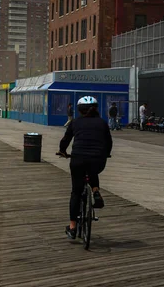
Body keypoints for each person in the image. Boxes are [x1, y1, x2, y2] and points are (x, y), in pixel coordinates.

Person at [58, 96, 112, 240]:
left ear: (79, 110)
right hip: (98, 160)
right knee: (92, 169)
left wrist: (62, 151)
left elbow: (65, 140)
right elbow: (109, 142)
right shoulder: (102, 123)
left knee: (76, 192)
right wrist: (106, 154)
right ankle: (95, 191)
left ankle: (72, 227)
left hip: (78, 160)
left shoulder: (75, 122)